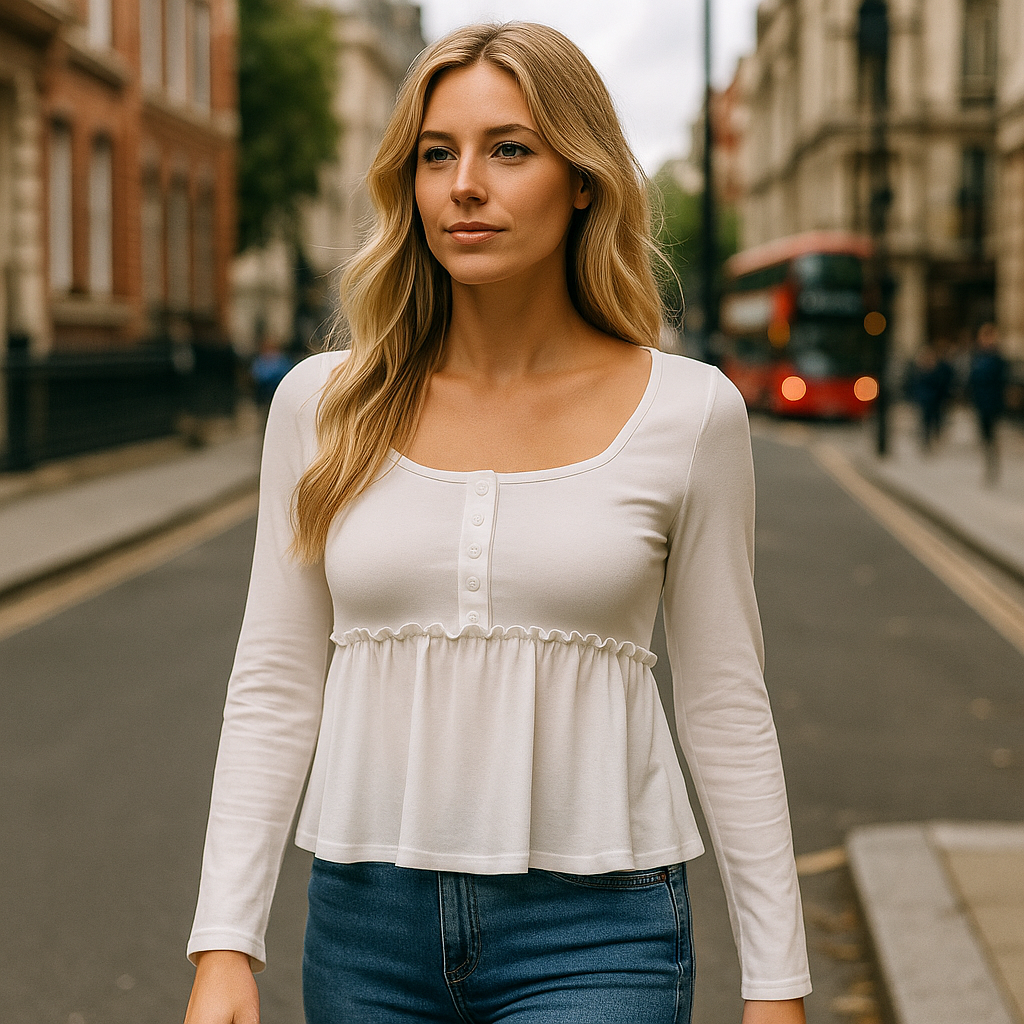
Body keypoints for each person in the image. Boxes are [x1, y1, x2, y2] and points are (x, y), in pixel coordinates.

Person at [183, 23, 811, 1024]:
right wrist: (225, 938)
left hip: (599, 932)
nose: (463, 184)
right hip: (366, 929)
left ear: (581, 181)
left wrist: (776, 981)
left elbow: (725, 706)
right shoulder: (322, 404)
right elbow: (273, 680)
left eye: (508, 149)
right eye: (438, 154)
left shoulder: (687, 413)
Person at [968, 322, 1008, 485]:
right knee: (984, 437)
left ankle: (993, 466)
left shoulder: (997, 358)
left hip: (993, 403)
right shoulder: (977, 357)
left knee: (992, 436)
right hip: (980, 403)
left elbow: (1003, 381)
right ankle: (987, 464)